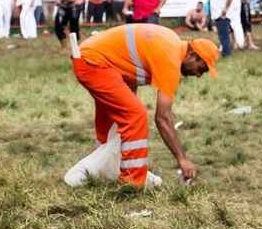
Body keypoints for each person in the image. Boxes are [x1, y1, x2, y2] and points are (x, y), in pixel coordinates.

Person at [70, 24, 219, 187]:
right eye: (201, 69)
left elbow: (129, 66)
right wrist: (182, 159)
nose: (198, 75)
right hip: (93, 63)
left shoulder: (171, 44)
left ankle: (103, 169)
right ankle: (131, 182)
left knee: (117, 117)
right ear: (193, 55)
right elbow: (163, 118)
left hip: (89, 57)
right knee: (135, 115)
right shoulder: (170, 59)